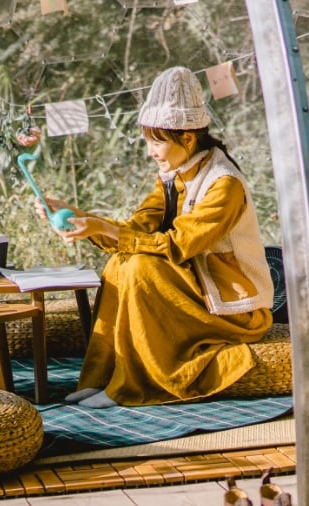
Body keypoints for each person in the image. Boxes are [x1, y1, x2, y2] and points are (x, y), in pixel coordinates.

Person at [44, 66, 274, 408]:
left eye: (157, 141)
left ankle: (129, 386)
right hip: (196, 289)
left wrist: (103, 228)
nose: (151, 150)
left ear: (187, 138)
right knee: (122, 263)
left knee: (141, 270)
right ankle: (105, 376)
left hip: (234, 309)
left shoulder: (223, 184)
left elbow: (180, 245)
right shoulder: (172, 174)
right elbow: (137, 231)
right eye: (148, 140)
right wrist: (81, 218)